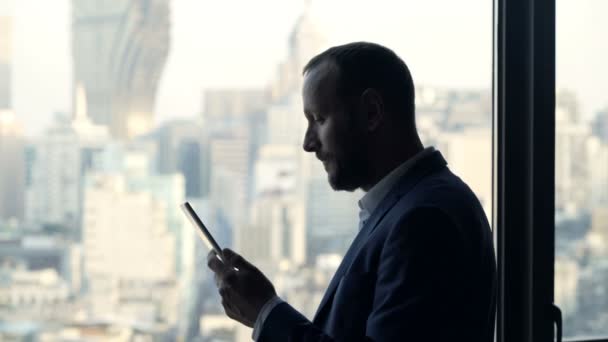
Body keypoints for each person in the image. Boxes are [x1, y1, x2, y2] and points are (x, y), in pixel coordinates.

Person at [207, 42, 496, 342]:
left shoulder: (423, 221)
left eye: (319, 119)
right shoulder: (413, 205)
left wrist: (267, 313)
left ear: (371, 113)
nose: (308, 143)